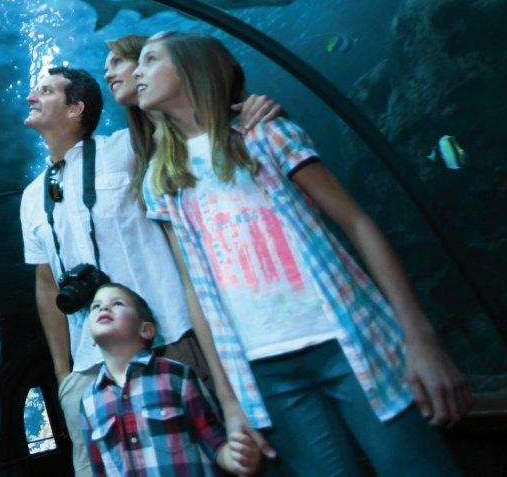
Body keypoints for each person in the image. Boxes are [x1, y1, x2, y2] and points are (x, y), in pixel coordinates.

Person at [134, 30, 470, 475]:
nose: (138, 72)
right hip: (262, 368)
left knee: (415, 466)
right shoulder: (161, 178)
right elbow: (194, 288)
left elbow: (356, 222)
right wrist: (229, 402)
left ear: (193, 68)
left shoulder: (265, 134)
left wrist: (420, 338)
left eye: (151, 59)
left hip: (346, 340)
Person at [21, 62, 279, 474]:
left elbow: (187, 124)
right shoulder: (31, 196)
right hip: (89, 365)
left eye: (47, 91)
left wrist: (246, 106)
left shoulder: (127, 149)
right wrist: (62, 371)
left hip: (167, 338)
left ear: (75, 109)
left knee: (210, 458)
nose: (31, 97)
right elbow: (45, 283)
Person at [79, 283, 260, 476]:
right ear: (91, 338)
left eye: (117, 303)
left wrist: (237, 458)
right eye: (95, 306)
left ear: (145, 330)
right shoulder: (88, 401)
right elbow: (99, 470)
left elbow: (213, 439)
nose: (103, 308)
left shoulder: (176, 374)